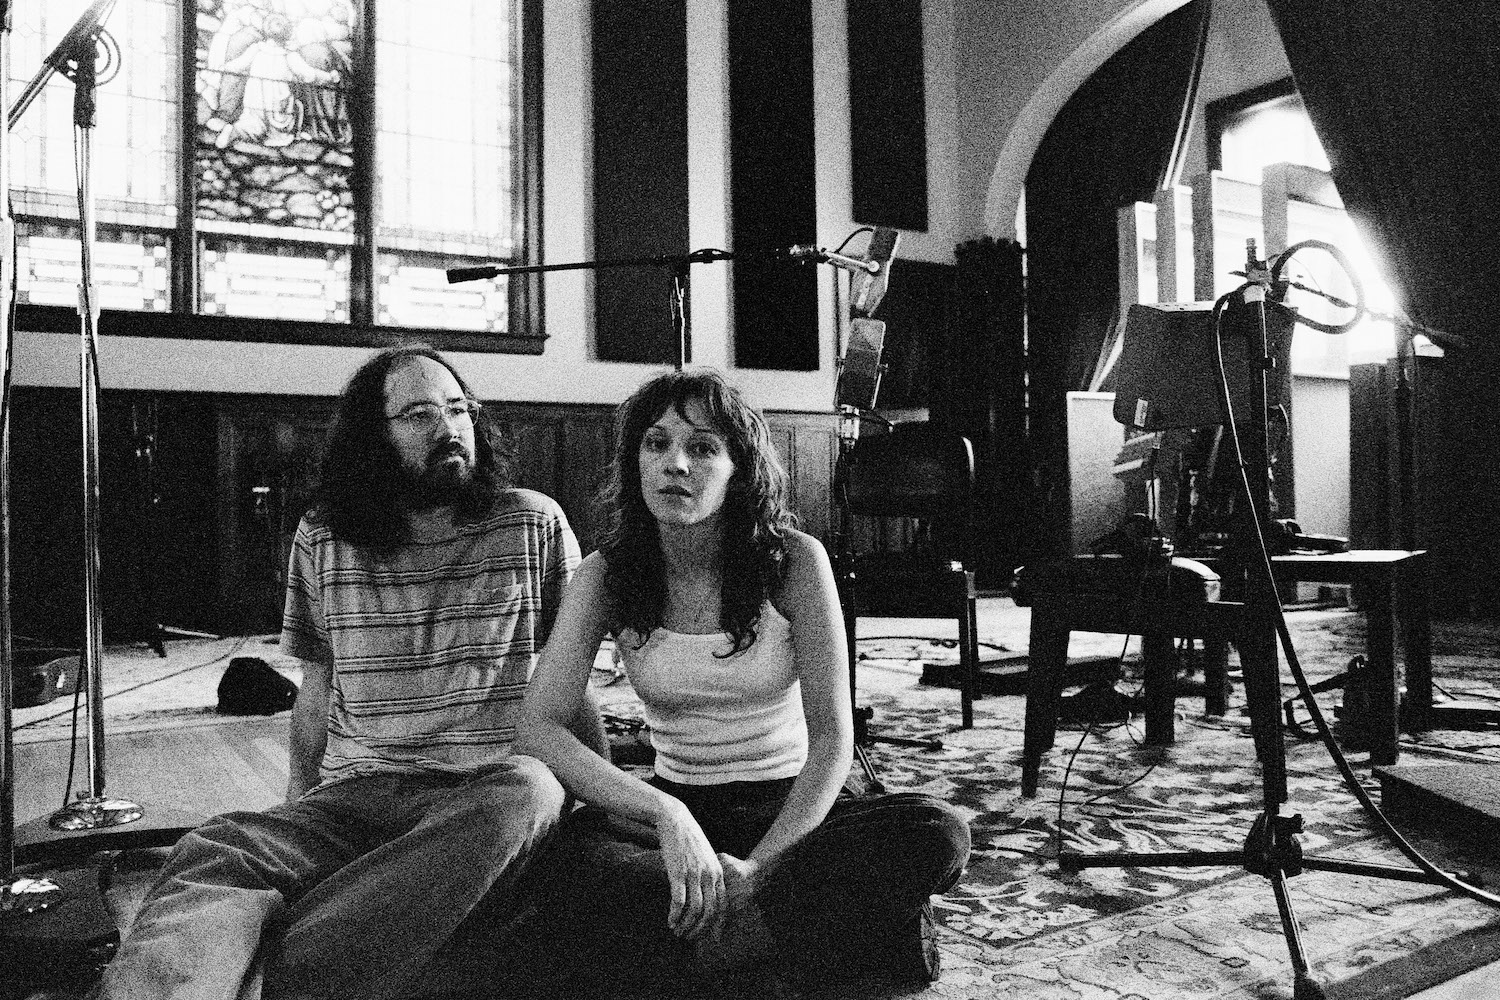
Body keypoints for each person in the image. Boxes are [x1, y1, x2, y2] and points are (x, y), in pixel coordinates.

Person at [97, 344, 604, 1000]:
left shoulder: (533, 523)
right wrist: (296, 805)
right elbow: (318, 685)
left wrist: (604, 797)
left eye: (458, 410)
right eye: (420, 414)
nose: (449, 428)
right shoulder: (323, 536)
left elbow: (569, 683)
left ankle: (270, 977)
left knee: (531, 791)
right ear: (372, 437)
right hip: (357, 794)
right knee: (216, 849)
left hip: (484, 793)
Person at [514, 368, 971, 997]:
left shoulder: (796, 561)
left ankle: (714, 950)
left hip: (791, 806)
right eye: (656, 443)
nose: (675, 464)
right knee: (564, 864)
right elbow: (538, 726)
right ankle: (812, 945)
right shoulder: (604, 575)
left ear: (739, 470)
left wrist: (757, 871)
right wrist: (666, 813)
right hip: (678, 807)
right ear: (635, 462)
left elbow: (833, 743)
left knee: (937, 831)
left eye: (703, 447)